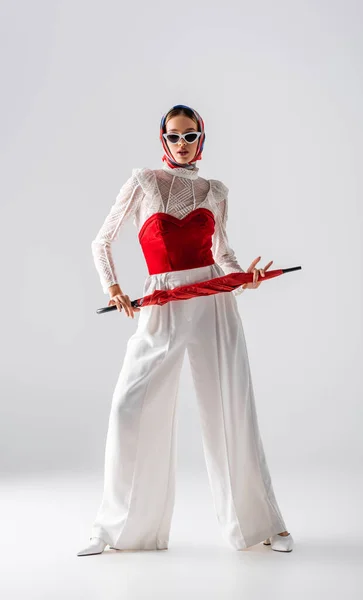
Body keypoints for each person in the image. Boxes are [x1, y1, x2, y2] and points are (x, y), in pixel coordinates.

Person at [77, 104, 294, 556]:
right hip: (163, 303)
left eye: (190, 136)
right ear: (163, 138)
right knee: (129, 406)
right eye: (174, 136)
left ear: (202, 138)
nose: (182, 144)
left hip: (213, 302)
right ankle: (116, 529)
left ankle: (262, 524)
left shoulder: (216, 191)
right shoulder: (144, 182)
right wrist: (114, 287)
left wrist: (244, 277)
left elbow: (224, 252)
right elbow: (102, 240)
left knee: (231, 406)